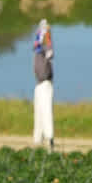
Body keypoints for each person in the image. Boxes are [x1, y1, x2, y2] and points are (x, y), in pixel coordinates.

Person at [33, 19, 54, 148]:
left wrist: (45, 41)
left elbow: (50, 53)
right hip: (39, 84)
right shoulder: (38, 47)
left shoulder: (45, 44)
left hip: (45, 83)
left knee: (46, 111)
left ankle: (49, 137)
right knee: (39, 112)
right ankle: (37, 139)